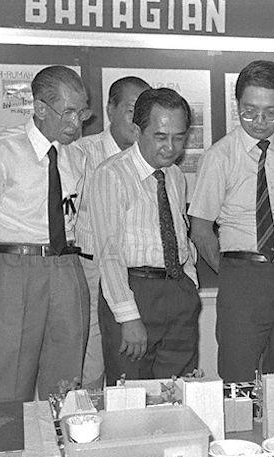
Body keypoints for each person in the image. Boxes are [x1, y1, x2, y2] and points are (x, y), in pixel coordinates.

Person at [189, 60, 274, 382]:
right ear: (237, 104)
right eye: (249, 111)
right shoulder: (219, 156)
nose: (260, 121)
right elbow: (200, 229)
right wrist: (233, 275)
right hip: (242, 273)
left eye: (272, 112)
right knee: (238, 372)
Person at [0, 65, 90, 403]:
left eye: (82, 112)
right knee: (11, 379)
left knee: (67, 380)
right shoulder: (0, 150)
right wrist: (0, 278)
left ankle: (62, 450)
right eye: (68, 112)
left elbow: (72, 218)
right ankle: (2, 450)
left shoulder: (76, 157)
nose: (77, 123)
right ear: (39, 108)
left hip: (66, 268)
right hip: (15, 270)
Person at [90, 87, 200, 385]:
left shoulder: (175, 176)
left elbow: (181, 235)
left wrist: (189, 284)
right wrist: (128, 316)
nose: (171, 147)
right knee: (131, 395)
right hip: (134, 291)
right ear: (138, 130)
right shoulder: (111, 174)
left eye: (179, 137)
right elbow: (109, 252)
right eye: (161, 137)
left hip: (177, 292)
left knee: (178, 391)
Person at [74, 76, 150, 388]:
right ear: (110, 109)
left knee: (135, 374)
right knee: (91, 367)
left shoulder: (157, 160)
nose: (139, 121)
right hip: (91, 272)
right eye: (133, 110)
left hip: (140, 276)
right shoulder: (81, 154)